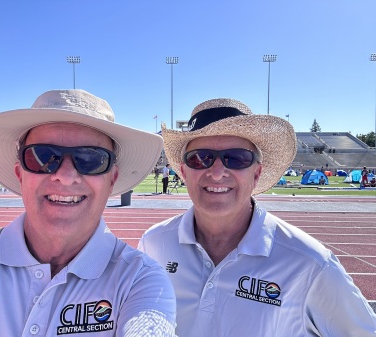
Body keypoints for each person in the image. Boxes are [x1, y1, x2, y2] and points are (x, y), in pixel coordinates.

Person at [0, 89, 177, 336]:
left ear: (112, 180)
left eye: (91, 159)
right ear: (19, 174)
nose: (65, 176)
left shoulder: (140, 281)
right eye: (43, 156)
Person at [139, 97, 376, 336]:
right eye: (200, 158)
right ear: (183, 172)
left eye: (237, 158)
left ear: (256, 173)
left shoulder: (311, 265)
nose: (218, 172)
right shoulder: (153, 245)